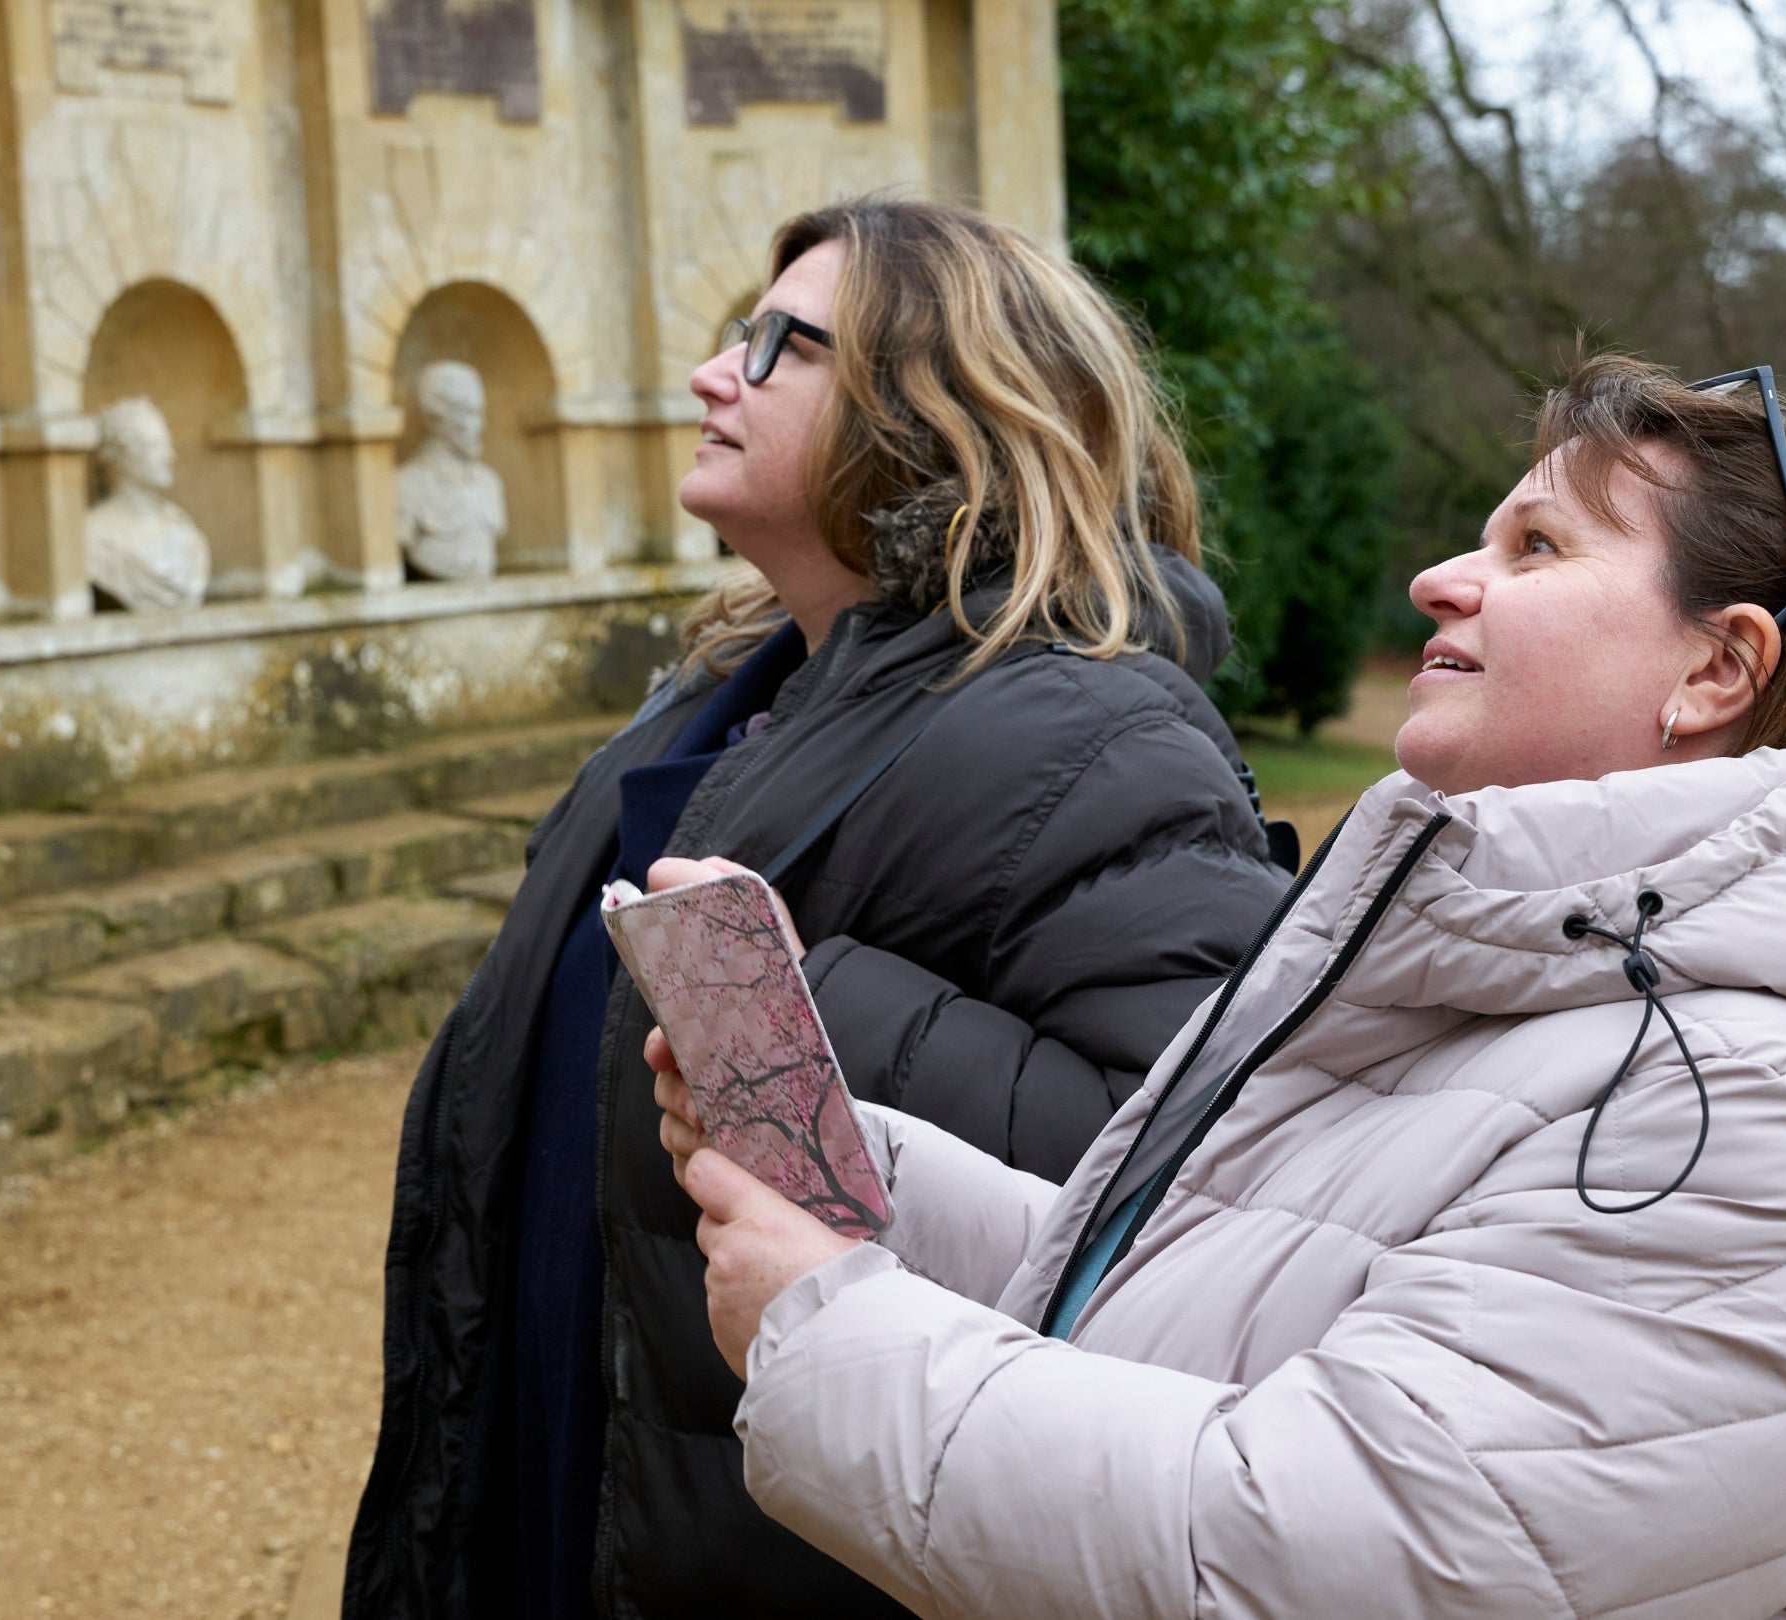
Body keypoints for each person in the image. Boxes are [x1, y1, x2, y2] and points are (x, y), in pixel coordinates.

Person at [653, 352, 1786, 1619]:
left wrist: (825, 1325)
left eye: (1537, 547)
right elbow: (1198, 1285)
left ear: (1716, 673)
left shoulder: (1780, 1119)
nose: (1439, 578)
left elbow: (1316, 1561)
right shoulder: (1519, 998)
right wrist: (854, 1164)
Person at [344, 199, 1293, 1619]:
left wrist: (798, 1000)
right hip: (563, 1472)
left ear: (938, 411)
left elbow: (1184, 1190)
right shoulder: (717, 699)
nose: (714, 374)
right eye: (741, 331)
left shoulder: (1095, 736)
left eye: (783, 346)